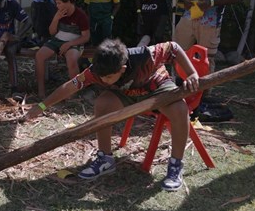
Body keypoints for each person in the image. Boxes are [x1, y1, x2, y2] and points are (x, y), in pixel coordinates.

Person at [23, 39, 199, 191]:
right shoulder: (96, 71)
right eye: (101, 77)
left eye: (108, 78)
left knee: (180, 110)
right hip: (126, 94)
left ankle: (176, 165)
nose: (103, 80)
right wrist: (42, 105)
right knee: (102, 104)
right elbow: (70, 86)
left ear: (122, 69)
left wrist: (192, 73)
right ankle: (105, 158)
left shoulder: (146, 55)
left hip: (156, 86)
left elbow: (174, 47)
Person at [35, 0, 89, 98]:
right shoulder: (58, 13)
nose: (57, 6)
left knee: (72, 59)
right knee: (39, 55)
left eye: (59, 3)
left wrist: (69, 44)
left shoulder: (80, 15)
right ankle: (41, 90)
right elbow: (52, 32)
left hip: (74, 43)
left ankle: (74, 92)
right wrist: (56, 19)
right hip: (58, 40)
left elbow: (85, 37)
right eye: (56, 3)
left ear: (69, 1)